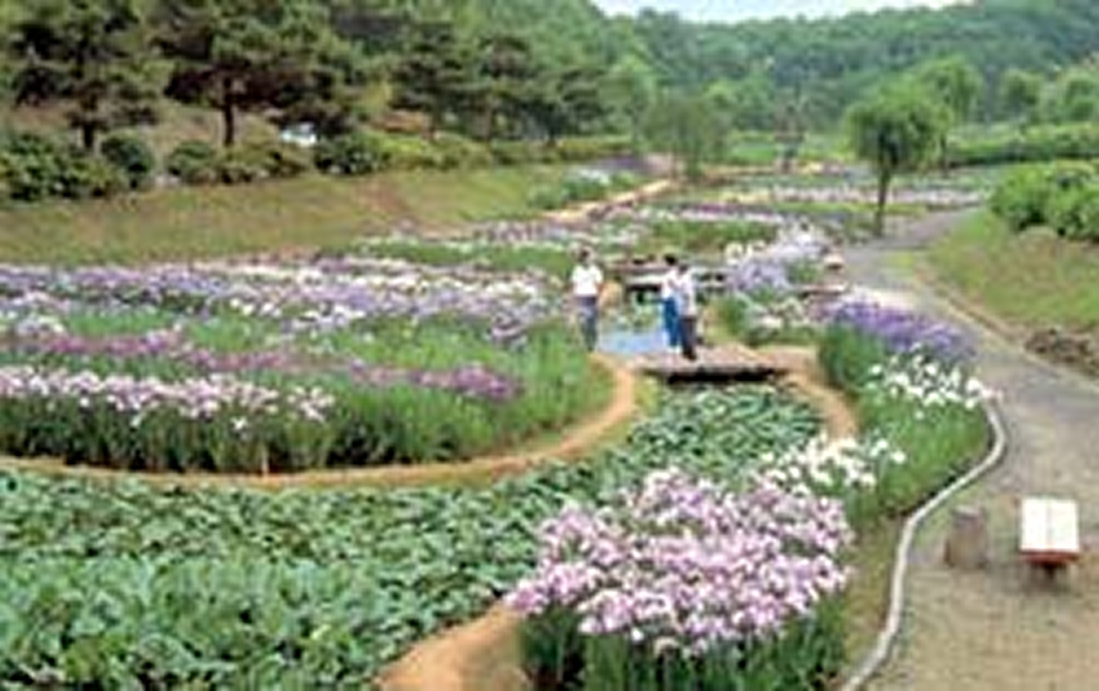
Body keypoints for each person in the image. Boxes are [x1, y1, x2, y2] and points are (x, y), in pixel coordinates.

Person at [570, 247, 604, 351]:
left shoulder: (595, 270)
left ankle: (592, 344)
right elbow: (574, 285)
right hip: (580, 297)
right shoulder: (577, 270)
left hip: (591, 297)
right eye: (587, 258)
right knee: (582, 321)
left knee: (592, 322)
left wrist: (599, 299)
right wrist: (572, 299)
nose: (589, 260)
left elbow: (599, 285)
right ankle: (585, 343)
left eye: (590, 258)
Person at [675, 261, 699, 361]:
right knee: (691, 331)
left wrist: (685, 304)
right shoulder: (690, 279)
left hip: (686, 310)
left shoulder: (684, 280)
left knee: (686, 332)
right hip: (691, 309)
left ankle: (690, 352)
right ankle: (687, 351)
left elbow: (687, 294)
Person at [659, 254, 681, 352]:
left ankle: (674, 344)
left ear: (668, 263)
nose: (662, 264)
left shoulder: (672, 273)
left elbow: (675, 285)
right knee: (669, 321)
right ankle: (672, 344)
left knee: (672, 321)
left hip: (670, 298)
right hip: (667, 298)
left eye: (663, 262)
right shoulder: (671, 272)